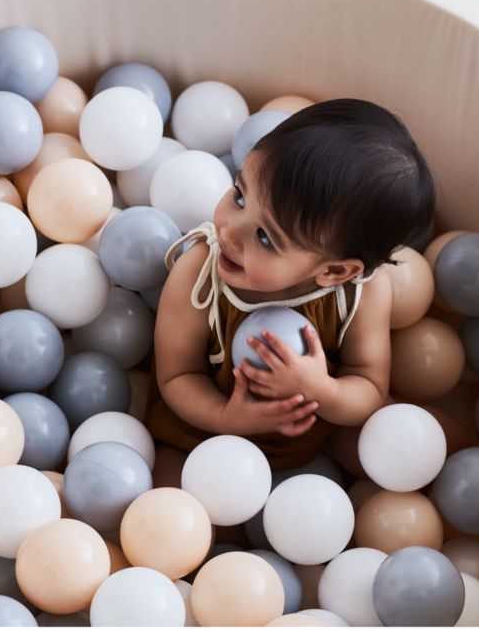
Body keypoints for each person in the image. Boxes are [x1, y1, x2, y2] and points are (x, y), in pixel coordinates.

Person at [147, 98, 436, 470]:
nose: (229, 232)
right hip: (204, 435)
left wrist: (323, 390)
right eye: (239, 196)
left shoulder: (361, 293)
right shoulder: (199, 273)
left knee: (416, 442)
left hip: (318, 435)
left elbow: (369, 387)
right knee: (173, 501)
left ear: (334, 272)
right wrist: (226, 417)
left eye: (266, 238)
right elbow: (176, 376)